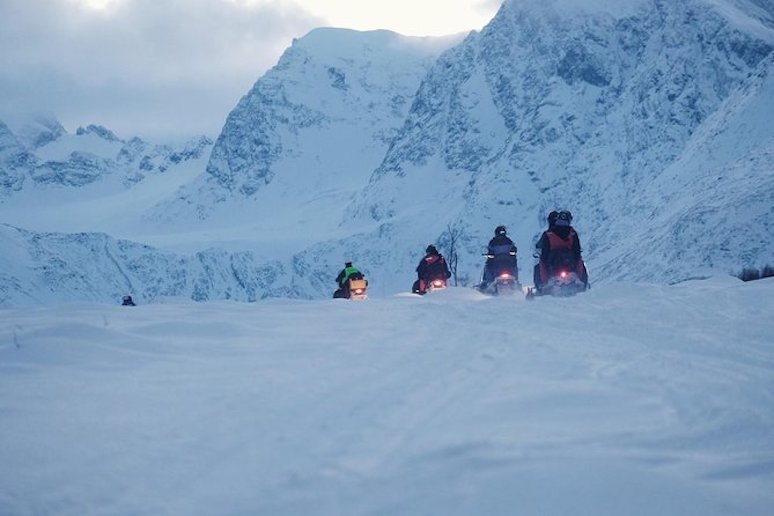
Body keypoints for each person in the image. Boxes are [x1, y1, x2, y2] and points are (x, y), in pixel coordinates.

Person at [534, 210, 588, 291]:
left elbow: (544, 254)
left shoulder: (548, 234)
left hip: (553, 263)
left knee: (541, 263)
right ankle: (583, 283)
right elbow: (577, 250)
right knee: (580, 261)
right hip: (570, 263)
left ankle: (542, 285)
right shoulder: (572, 233)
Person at [479, 225, 518, 289]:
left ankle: (488, 282)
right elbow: (513, 249)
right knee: (488, 266)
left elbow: (513, 250)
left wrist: (513, 252)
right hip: (502, 263)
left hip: (504, 263)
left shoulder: (493, 242)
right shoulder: (508, 241)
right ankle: (488, 282)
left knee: (488, 266)